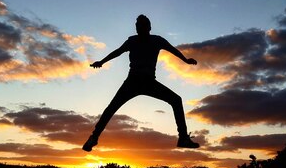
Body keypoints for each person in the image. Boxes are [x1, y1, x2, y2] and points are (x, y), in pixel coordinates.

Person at [83, 14, 200, 152]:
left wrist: (185, 60)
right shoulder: (132, 41)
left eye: (141, 25)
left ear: (149, 27)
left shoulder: (157, 40)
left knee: (176, 100)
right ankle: (94, 137)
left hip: (149, 82)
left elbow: (173, 50)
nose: (138, 28)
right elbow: (117, 52)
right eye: (137, 26)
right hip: (132, 82)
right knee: (111, 108)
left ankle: (183, 138)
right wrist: (101, 62)